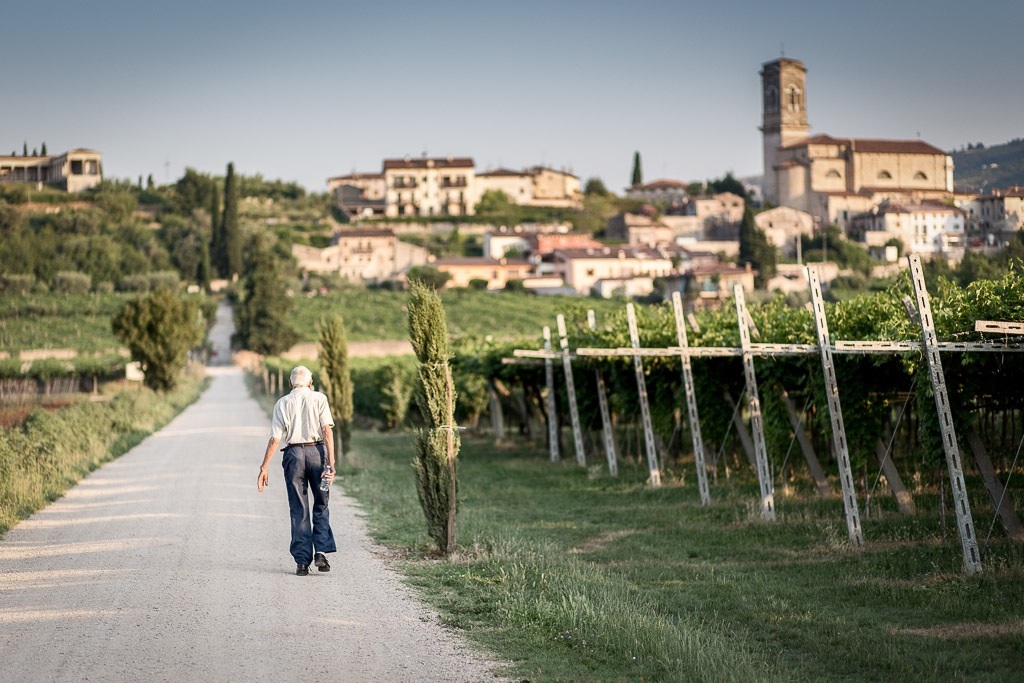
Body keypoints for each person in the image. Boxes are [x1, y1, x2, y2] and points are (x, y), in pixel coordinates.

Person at [258, 365, 337, 576]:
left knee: (298, 508)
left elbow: (275, 439)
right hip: (318, 454)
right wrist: (331, 463)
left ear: (290, 383)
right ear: (310, 383)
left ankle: (302, 563)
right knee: (321, 503)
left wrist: (264, 466)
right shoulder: (320, 398)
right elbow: (327, 431)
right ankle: (320, 552)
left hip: (293, 456)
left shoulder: (282, 403)